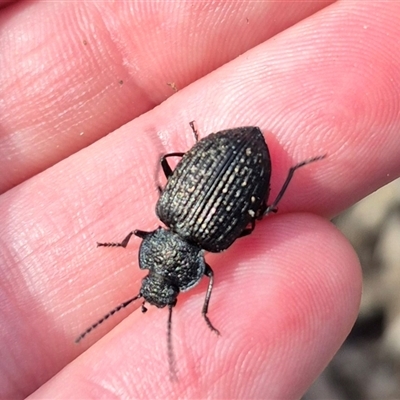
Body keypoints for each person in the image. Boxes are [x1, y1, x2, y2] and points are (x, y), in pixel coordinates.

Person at [1, 1, 399, 398]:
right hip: (223, 160)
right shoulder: (168, 216)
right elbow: (163, 181)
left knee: (258, 217)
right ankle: (282, 170)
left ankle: (290, 172)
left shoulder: (206, 245)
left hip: (231, 157)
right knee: (180, 173)